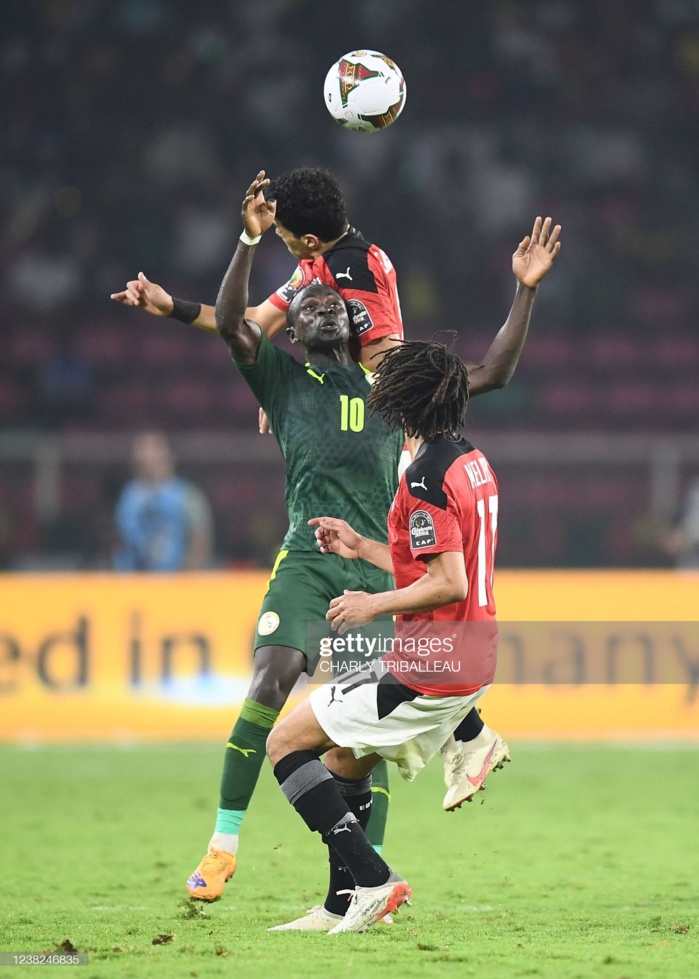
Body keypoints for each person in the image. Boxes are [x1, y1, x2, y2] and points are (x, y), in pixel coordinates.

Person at [111, 169, 561, 904]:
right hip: (308, 561)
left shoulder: (390, 393)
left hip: (374, 577)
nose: (304, 298)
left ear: (351, 328)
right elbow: (240, 322)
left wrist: (525, 288)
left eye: (316, 296)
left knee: (356, 747)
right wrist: (203, 278)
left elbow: (491, 371)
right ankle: (225, 845)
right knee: (268, 681)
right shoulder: (287, 379)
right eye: (300, 299)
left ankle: (358, 889)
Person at [266, 336, 499, 934]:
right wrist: (362, 546)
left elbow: (448, 581)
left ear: (408, 400)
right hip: (466, 653)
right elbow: (432, 563)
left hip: (430, 663)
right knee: (345, 757)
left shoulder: (423, 476)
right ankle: (342, 903)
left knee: (286, 743)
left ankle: (375, 880)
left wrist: (373, 602)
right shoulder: (469, 460)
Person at [113, 431, 213, 571]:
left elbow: (200, 539)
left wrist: (185, 577)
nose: (147, 455)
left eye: (153, 449)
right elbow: (119, 539)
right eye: (142, 449)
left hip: (173, 583)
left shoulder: (186, 495)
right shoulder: (128, 496)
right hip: (132, 583)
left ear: (167, 455)